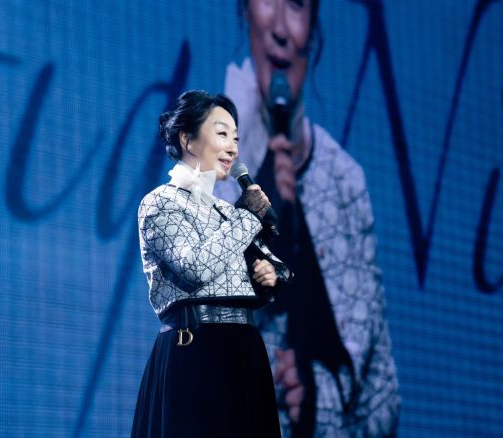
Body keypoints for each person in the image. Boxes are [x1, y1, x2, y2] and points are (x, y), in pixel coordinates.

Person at [214, 0, 400, 436]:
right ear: (245, 13)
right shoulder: (206, 175)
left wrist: (320, 398)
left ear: (313, 32)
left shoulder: (344, 181)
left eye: (296, 5)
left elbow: (384, 399)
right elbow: (192, 352)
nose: (280, 27)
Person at [131, 90, 291, 438]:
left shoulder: (227, 212)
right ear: (187, 139)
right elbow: (196, 268)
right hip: (194, 348)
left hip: (243, 350)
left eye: (236, 138)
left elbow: (272, 264)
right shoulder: (161, 203)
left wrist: (271, 274)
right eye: (222, 134)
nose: (233, 149)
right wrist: (247, 217)